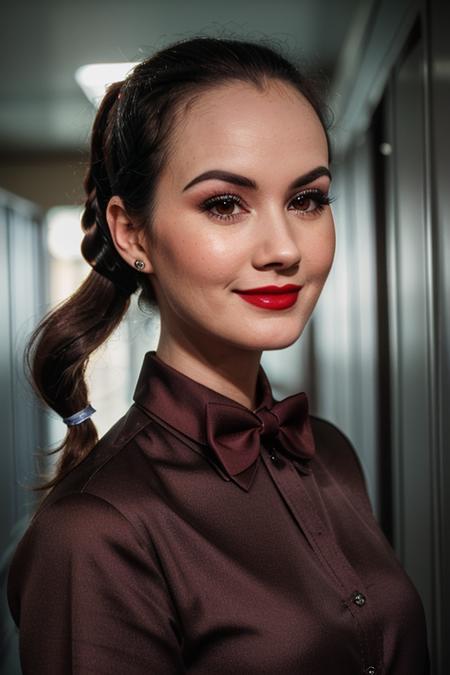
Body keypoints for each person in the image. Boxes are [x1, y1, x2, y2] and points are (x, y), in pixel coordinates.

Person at [7, 36, 429, 674]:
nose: (284, 247)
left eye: (307, 199)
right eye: (225, 204)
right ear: (132, 233)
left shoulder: (332, 454)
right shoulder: (94, 534)